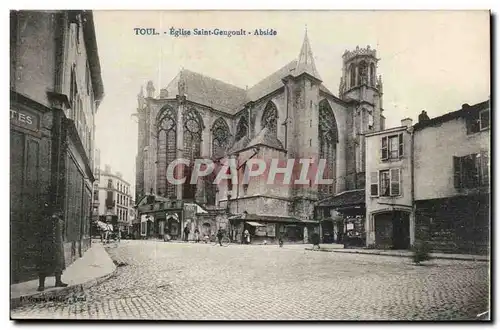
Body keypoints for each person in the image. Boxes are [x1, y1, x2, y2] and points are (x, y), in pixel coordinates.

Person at [37, 210, 68, 292]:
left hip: (58, 246)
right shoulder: (45, 222)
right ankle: (41, 285)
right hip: (47, 246)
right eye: (55, 213)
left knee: (59, 264)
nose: (56, 215)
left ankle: (58, 281)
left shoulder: (61, 222)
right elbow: (40, 234)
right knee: (44, 265)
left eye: (58, 213)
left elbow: (63, 234)